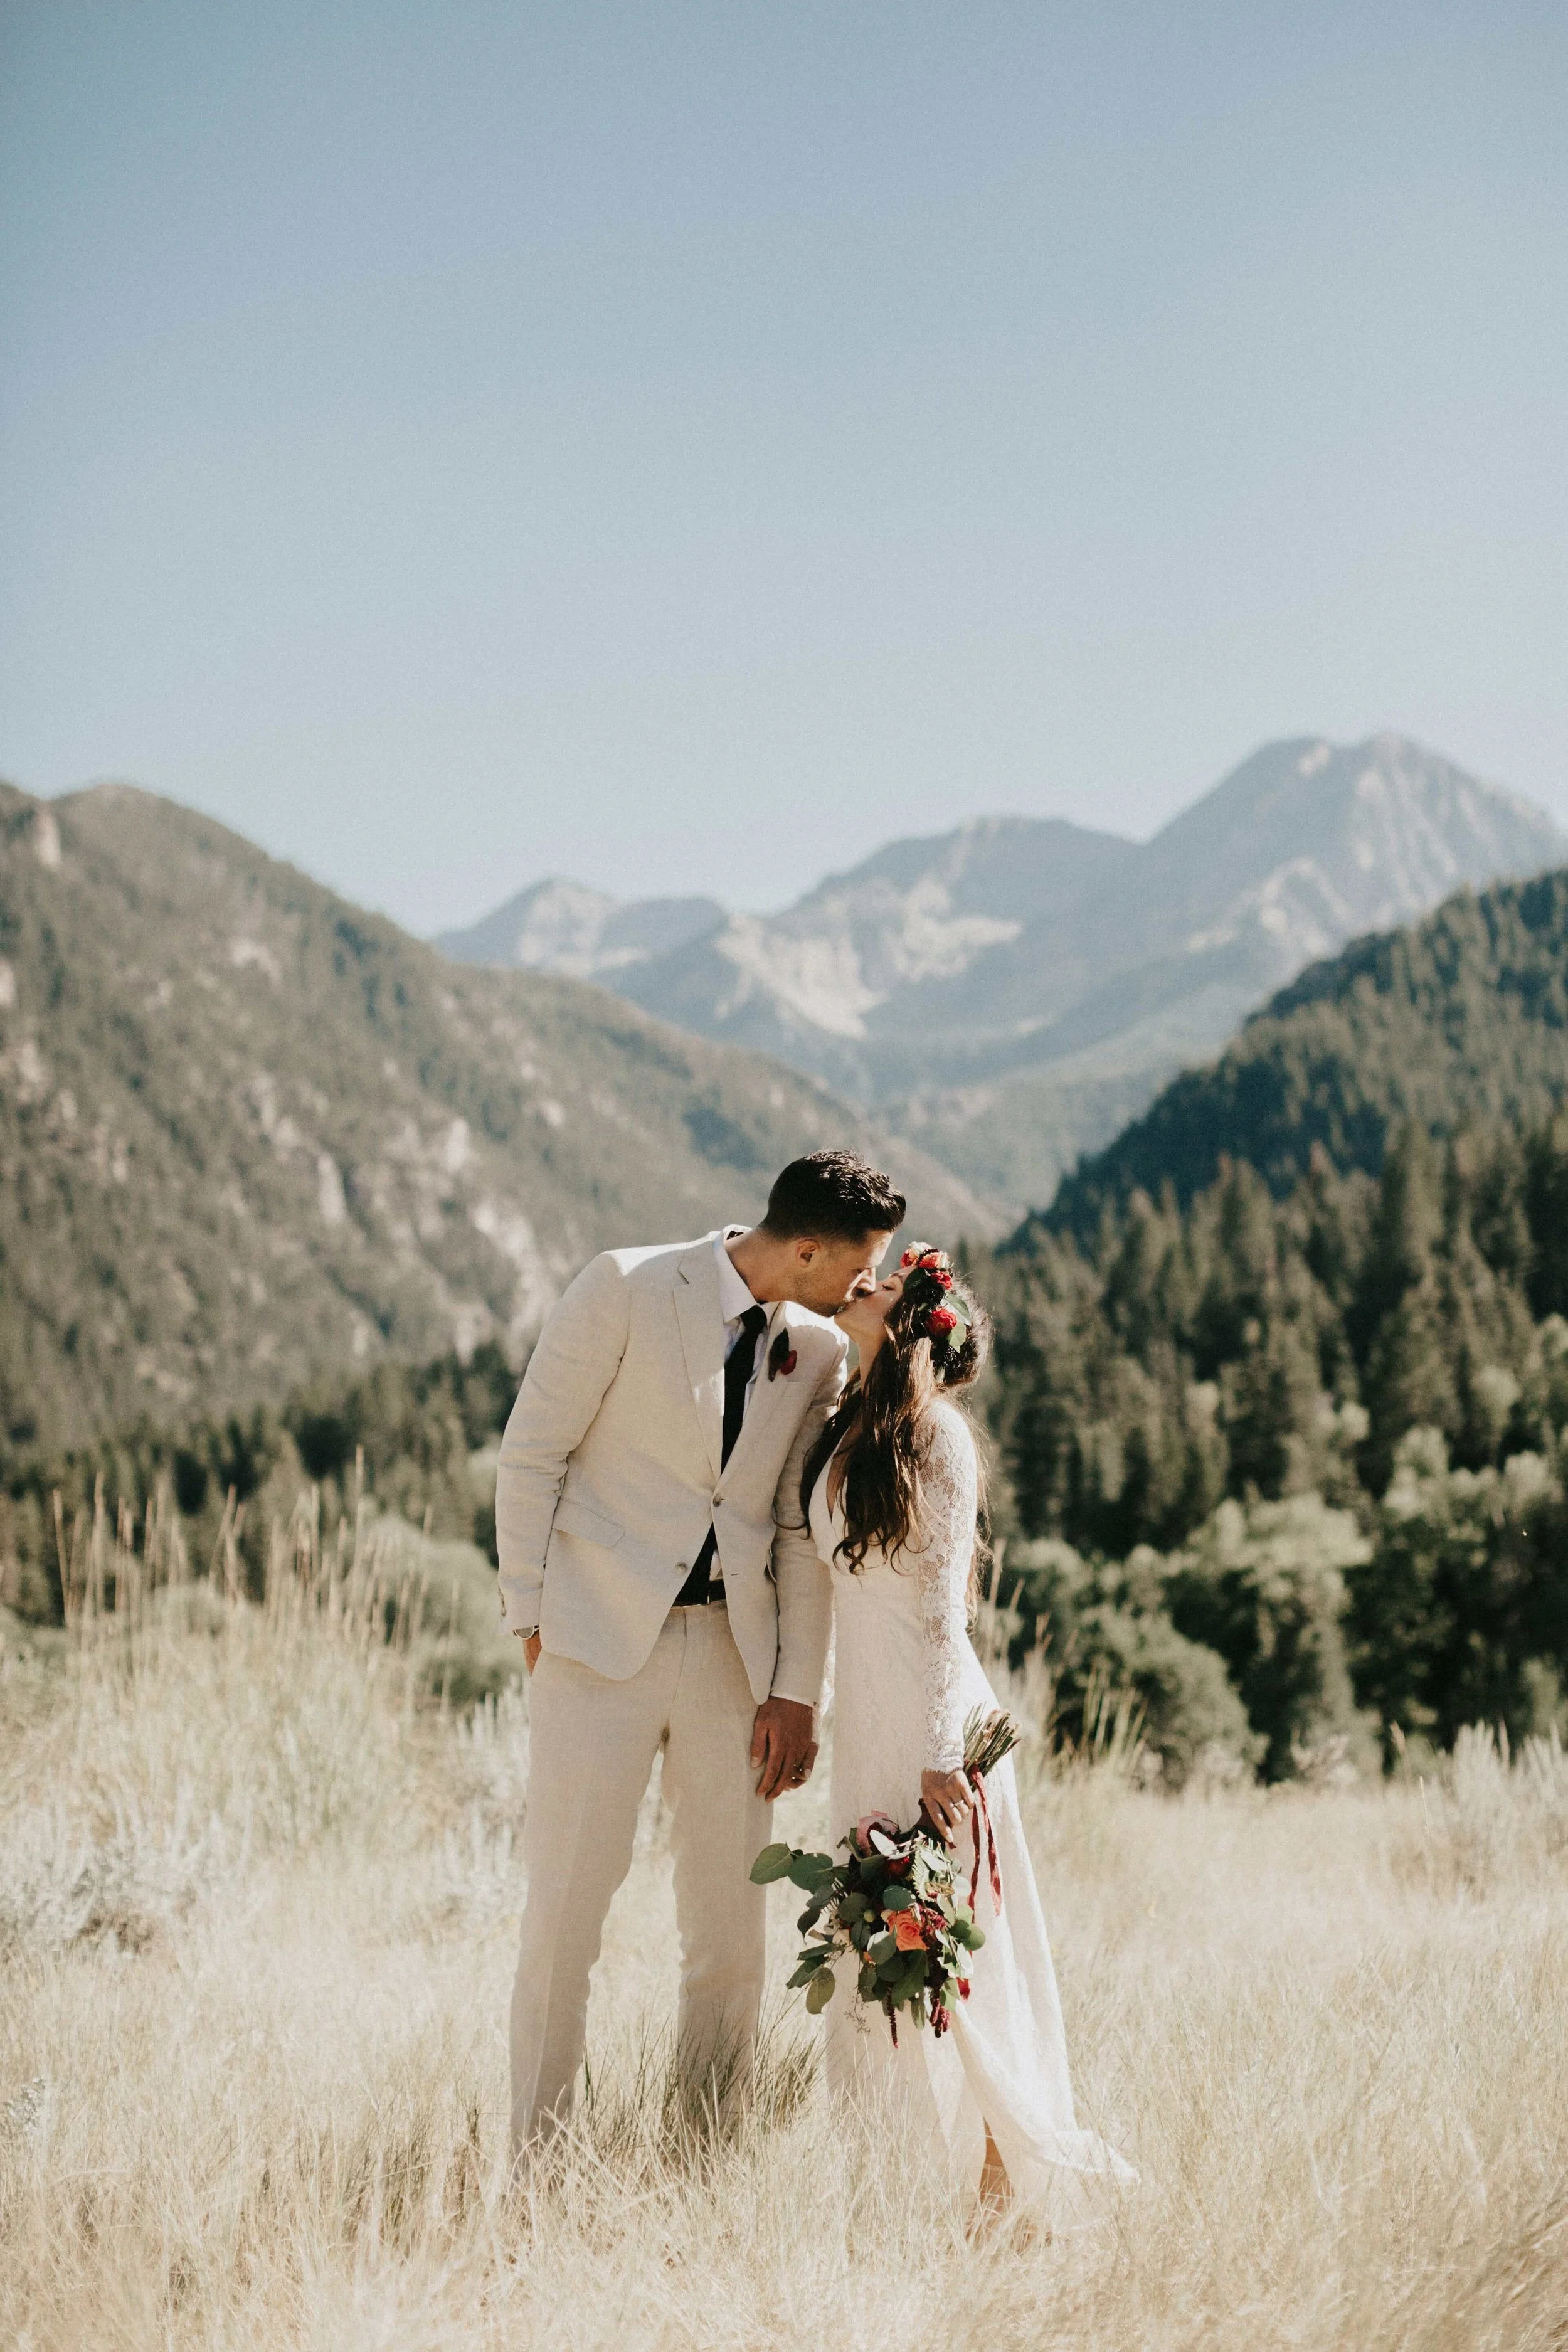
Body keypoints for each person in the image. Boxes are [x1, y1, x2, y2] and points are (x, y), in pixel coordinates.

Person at [497, 1148, 906, 2156]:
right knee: (564, 1924)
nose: (862, 1287)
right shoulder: (625, 1285)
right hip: (596, 1651)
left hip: (735, 1663)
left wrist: (795, 1687)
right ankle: (539, 2163)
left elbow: (796, 1527)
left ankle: (703, 2157)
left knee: (729, 1933)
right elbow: (532, 1450)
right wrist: (530, 1617)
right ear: (804, 1247)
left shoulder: (816, 1349)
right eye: (857, 1268)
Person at [803, 1247, 1136, 2224]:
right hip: (868, 1721)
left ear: (912, 1322)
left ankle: (1007, 2197)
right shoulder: (844, 1432)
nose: (865, 1277)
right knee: (876, 1958)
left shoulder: (938, 1437)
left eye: (888, 1280)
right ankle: (892, 2193)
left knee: (959, 1966)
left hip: (938, 1732)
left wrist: (943, 1753)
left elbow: (946, 1609)